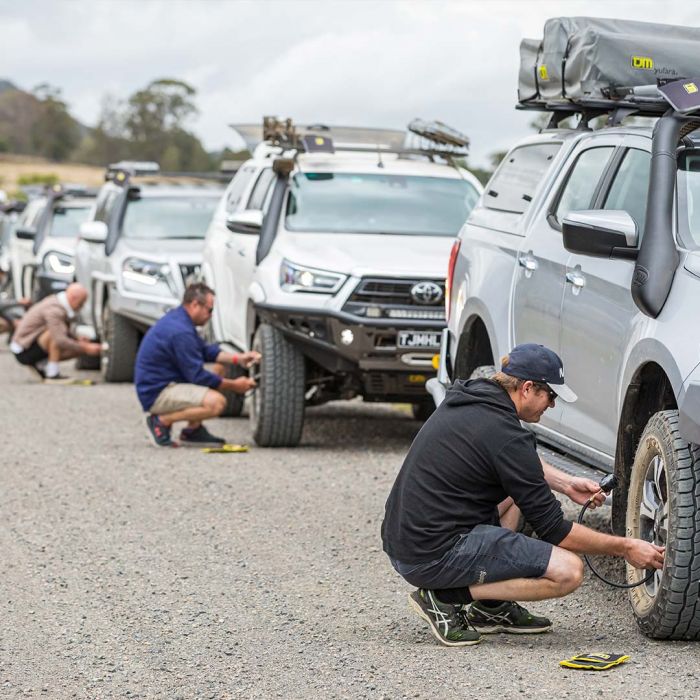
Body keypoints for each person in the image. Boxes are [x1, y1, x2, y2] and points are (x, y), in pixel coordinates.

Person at [381, 343, 665, 647]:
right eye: (551, 396)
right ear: (527, 388)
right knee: (568, 571)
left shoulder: (475, 399)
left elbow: (513, 461)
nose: (552, 405)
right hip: (431, 554)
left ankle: (490, 607)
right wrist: (625, 548)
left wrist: (566, 483)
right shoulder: (504, 432)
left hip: (408, 541)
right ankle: (443, 597)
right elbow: (557, 531)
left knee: (521, 496)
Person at [134, 282, 260, 448]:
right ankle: (161, 421)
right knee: (217, 403)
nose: (210, 315)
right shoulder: (181, 332)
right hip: (157, 392)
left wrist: (239, 358)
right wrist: (235, 385)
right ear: (195, 305)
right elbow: (197, 376)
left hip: (166, 382)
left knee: (221, 365)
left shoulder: (180, 319)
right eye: (209, 310)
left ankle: (193, 429)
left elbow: (205, 351)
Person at [10, 283, 101, 383]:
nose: (82, 306)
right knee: (56, 337)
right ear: (74, 298)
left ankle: (42, 364)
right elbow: (60, 339)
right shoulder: (54, 310)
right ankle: (52, 374)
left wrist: (77, 339)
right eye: (81, 303)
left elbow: (62, 330)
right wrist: (86, 348)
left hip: (31, 344)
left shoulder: (58, 302)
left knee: (76, 346)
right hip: (24, 350)